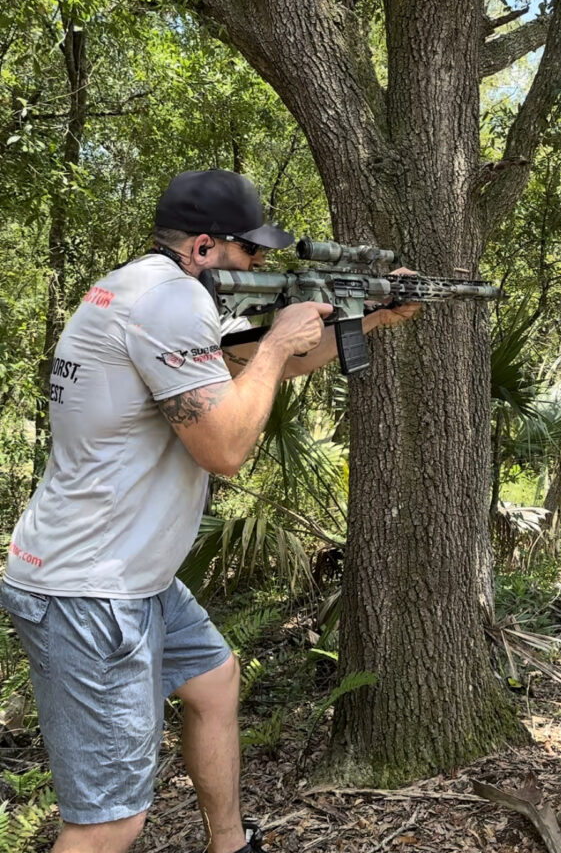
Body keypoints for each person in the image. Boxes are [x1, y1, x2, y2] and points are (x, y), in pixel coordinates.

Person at [0, 168, 416, 853]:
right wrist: (281, 338)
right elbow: (224, 444)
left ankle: (230, 844)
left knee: (215, 681)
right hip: (92, 588)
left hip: (130, 572)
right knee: (110, 820)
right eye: (248, 250)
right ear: (202, 248)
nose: (259, 261)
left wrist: (365, 317)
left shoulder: (141, 286)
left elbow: (234, 364)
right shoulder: (169, 304)